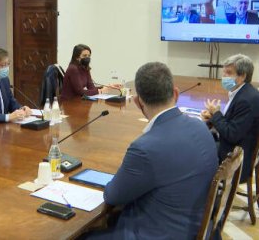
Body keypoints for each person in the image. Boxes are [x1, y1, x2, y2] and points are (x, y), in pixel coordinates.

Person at [90, 62, 218, 239]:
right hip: (197, 228)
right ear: (175, 93)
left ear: (137, 101)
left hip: (156, 232)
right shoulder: (201, 127)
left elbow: (112, 196)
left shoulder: (144, 148)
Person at [201, 54, 259, 183]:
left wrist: (216, 114)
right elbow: (234, 124)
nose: (224, 77)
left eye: (228, 73)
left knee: (195, 149)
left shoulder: (247, 100)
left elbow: (232, 134)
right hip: (233, 147)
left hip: (235, 160)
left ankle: (203, 195)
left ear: (242, 76)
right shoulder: (243, 92)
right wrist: (212, 119)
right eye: (224, 72)